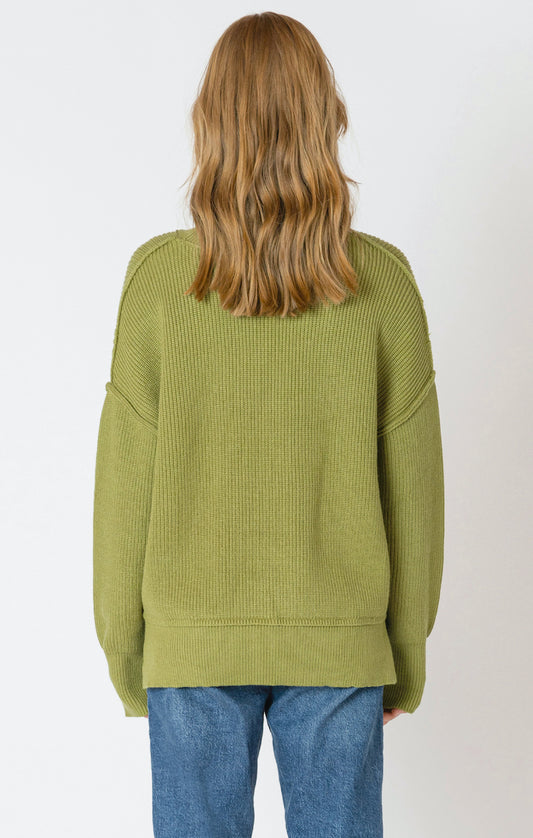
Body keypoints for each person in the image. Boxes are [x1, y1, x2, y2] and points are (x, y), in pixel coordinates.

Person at [92, 11, 445, 838]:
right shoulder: (383, 284)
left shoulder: (159, 283)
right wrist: (400, 656)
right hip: (340, 648)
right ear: (326, 116)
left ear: (209, 121)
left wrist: (131, 655)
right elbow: (416, 500)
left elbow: (121, 491)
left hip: (191, 649)